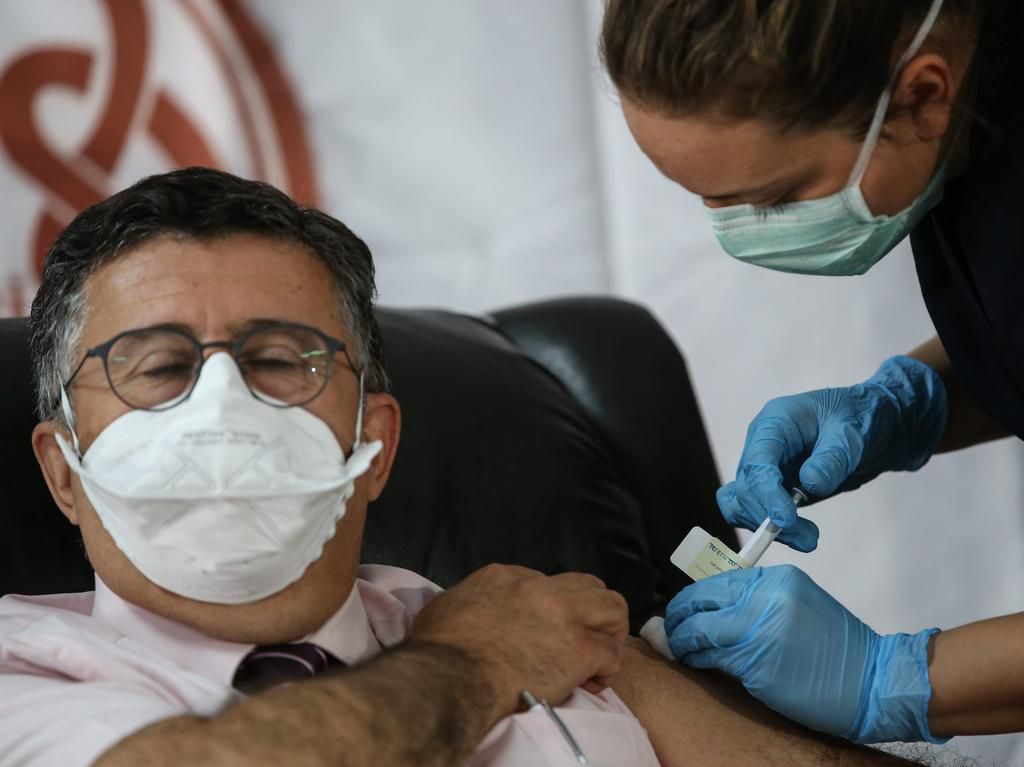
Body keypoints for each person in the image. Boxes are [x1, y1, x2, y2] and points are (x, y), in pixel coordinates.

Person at [0, 167, 915, 767]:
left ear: (377, 447)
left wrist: (893, 690)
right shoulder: (25, 678)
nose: (222, 409)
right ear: (62, 470)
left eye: (282, 359)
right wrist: (477, 664)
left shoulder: (529, 616)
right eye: (158, 367)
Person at [601, 0, 1024, 749]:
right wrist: (908, 403)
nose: (737, 231)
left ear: (923, 96)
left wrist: (892, 677)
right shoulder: (970, 123)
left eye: (772, 198)